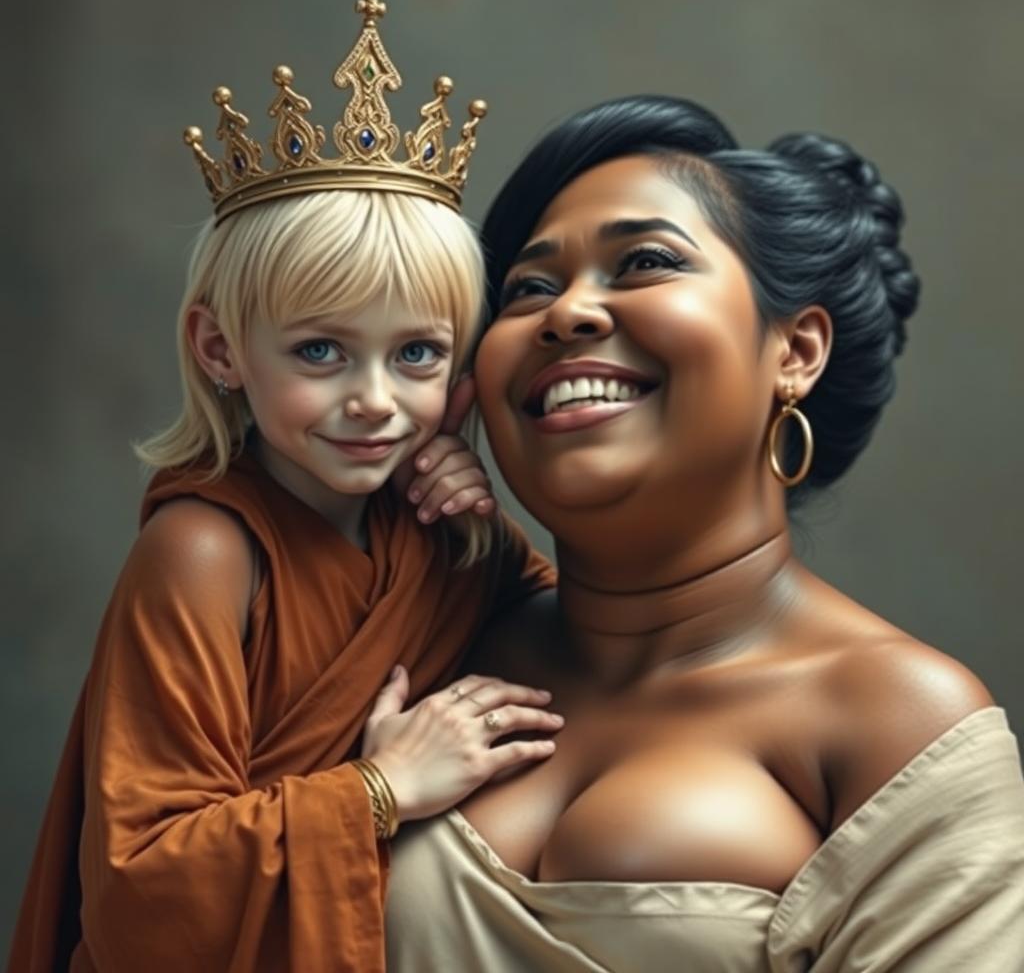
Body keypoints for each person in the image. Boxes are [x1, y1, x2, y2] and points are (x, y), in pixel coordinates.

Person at [384, 95, 1024, 971]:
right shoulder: (426, 635)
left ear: (795, 352)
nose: (566, 313)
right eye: (529, 288)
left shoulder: (898, 716)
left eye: (644, 261)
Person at [8, 0, 561, 973]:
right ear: (220, 349)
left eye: (418, 355)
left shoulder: (432, 533)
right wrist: (382, 789)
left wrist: (483, 518)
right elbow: (143, 885)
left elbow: (567, 644)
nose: (375, 402)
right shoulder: (203, 552)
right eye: (320, 350)